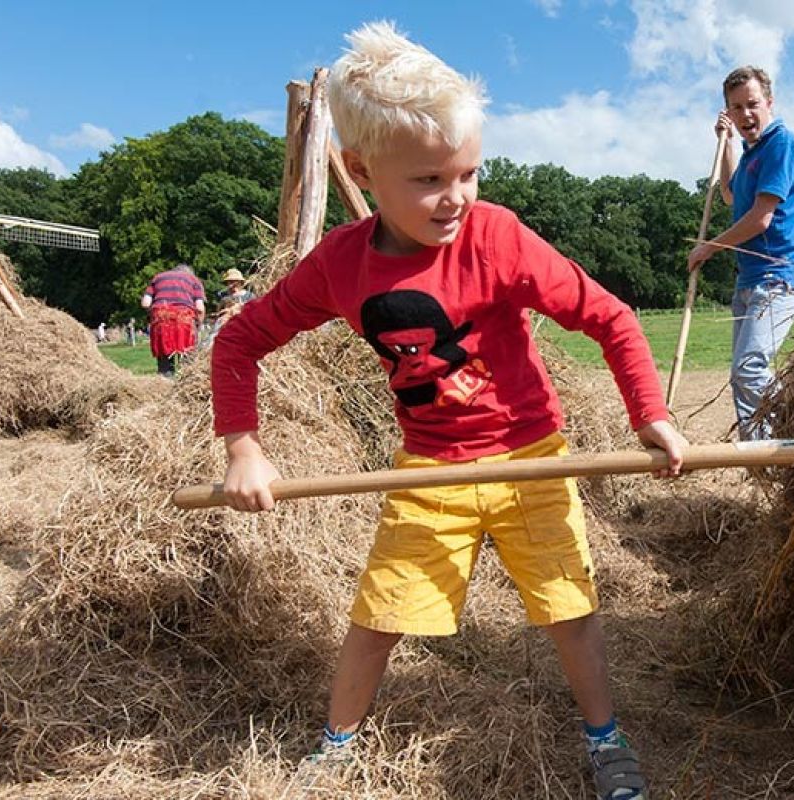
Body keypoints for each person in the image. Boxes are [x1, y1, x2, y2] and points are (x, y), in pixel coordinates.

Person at [211, 21, 685, 800]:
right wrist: (242, 448)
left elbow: (611, 317)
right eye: (429, 180)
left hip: (534, 455)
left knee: (569, 608)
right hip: (429, 469)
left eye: (468, 172)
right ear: (363, 170)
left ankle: (605, 741)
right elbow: (238, 343)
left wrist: (650, 414)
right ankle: (336, 748)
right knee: (379, 613)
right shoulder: (339, 265)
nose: (456, 197)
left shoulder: (497, 237)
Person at [686, 65, 794, 440]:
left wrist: (708, 248)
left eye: (752, 104)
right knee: (742, 379)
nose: (745, 114)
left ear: (769, 102)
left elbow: (760, 218)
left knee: (749, 369)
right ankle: (761, 460)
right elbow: (729, 194)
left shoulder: (782, 145)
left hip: (781, 276)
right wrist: (725, 142)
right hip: (751, 280)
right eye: (736, 107)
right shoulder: (751, 155)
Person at [140, 263, 206, 376]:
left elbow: (145, 303)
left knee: (164, 364)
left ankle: (165, 385)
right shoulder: (193, 280)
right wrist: (199, 324)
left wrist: (157, 314)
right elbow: (199, 308)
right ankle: (185, 386)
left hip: (161, 321)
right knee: (187, 362)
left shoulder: (158, 277)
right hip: (184, 322)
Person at [212, 268, 258, 335]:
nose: (233, 284)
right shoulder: (224, 297)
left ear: (240, 282)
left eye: (235, 281)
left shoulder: (250, 296)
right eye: (230, 281)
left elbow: (255, 313)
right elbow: (218, 314)